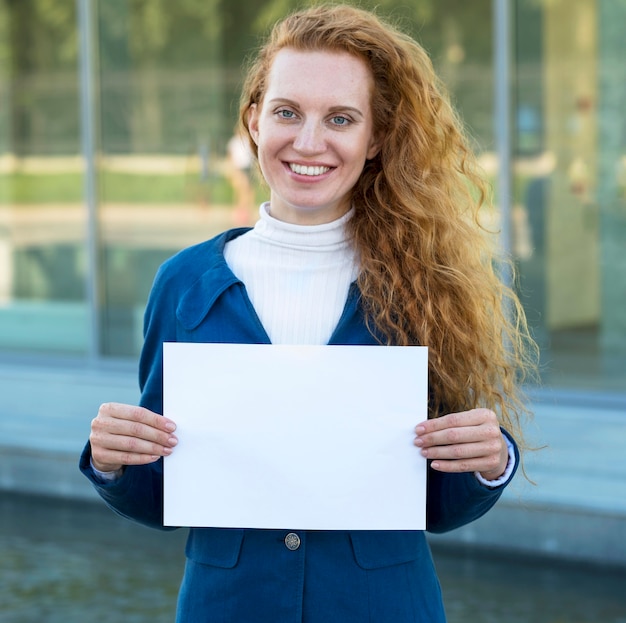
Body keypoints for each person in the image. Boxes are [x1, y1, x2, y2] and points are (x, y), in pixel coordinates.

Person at [80, 5, 537, 622]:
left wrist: (489, 462)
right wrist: (114, 461)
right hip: (229, 607)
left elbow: (439, 504)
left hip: (381, 606)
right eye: (287, 112)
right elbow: (164, 496)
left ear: (375, 139)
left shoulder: (429, 284)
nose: (308, 141)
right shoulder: (184, 282)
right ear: (254, 119)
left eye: (341, 119)